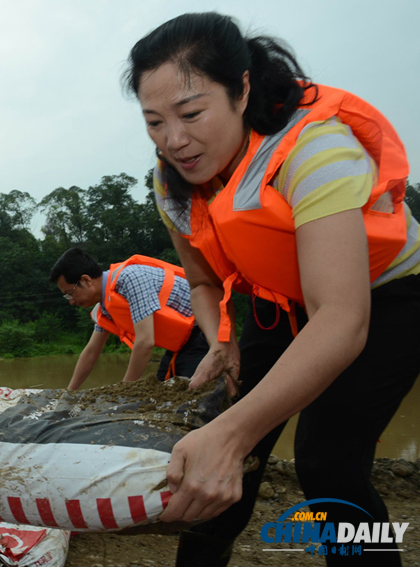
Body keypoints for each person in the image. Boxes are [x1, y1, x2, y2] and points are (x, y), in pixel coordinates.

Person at [124, 11, 420, 566]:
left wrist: (232, 435)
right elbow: (203, 279)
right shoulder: (173, 179)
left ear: (241, 89)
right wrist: (218, 342)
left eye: (190, 113)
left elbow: (340, 318)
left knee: (328, 460)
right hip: (274, 303)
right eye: (154, 122)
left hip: (383, 299)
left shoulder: (316, 149)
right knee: (219, 443)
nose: (176, 140)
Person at [49, 247, 208, 389]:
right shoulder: (105, 306)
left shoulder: (130, 279)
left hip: (205, 333)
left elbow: (145, 342)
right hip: (180, 346)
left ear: (86, 280)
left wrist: (124, 390)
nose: (71, 301)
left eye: (70, 293)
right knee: (161, 394)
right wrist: (69, 393)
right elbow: (91, 351)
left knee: (190, 395)